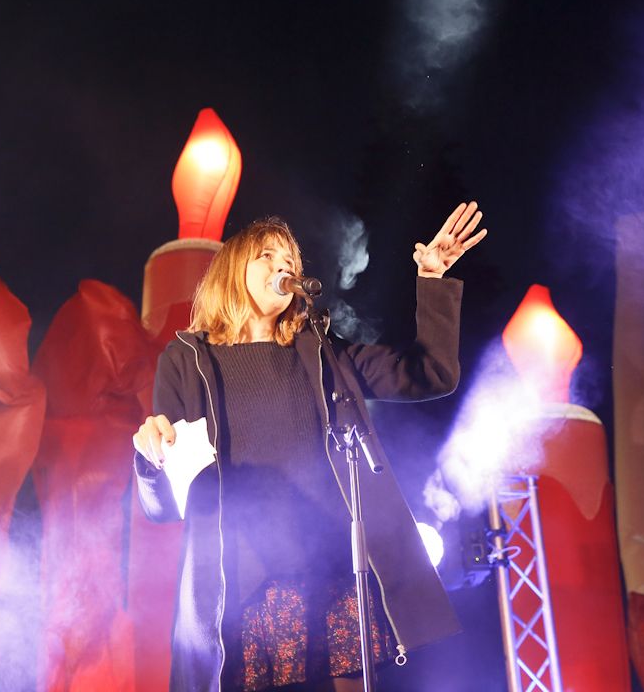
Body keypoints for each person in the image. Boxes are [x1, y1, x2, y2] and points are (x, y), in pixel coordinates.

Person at [133, 202, 488, 692]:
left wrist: (432, 281)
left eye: (291, 263)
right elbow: (163, 503)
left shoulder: (320, 351)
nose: (283, 267)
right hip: (247, 576)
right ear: (234, 268)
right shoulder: (188, 360)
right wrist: (151, 457)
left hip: (333, 565)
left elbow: (429, 373)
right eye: (268, 256)